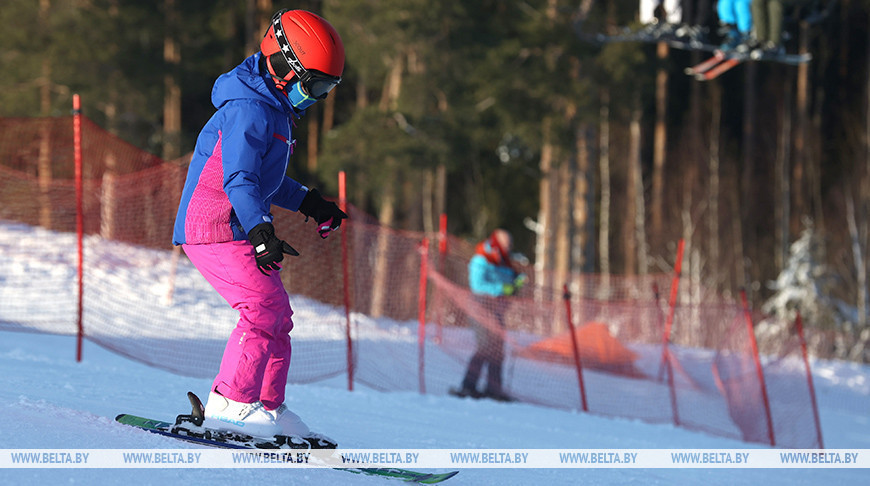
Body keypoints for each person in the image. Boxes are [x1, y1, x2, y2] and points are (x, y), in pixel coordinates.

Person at [172, 9, 348, 439]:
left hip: (237, 224)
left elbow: (264, 179)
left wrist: (309, 202)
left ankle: (267, 407)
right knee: (262, 309)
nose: (319, 98)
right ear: (285, 68)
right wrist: (260, 231)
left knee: (278, 315)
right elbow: (239, 180)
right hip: (212, 227)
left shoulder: (274, 110)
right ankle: (231, 403)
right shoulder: (250, 110)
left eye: (327, 88)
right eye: (316, 86)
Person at [450, 229, 526, 402]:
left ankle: (494, 389)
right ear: (497, 242)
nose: (509, 247)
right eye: (507, 243)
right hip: (480, 307)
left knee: (498, 350)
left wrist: (515, 284)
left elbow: (508, 283)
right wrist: (501, 289)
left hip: (497, 310)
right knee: (485, 347)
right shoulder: (481, 258)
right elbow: (478, 285)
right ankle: (468, 386)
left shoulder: (504, 263)